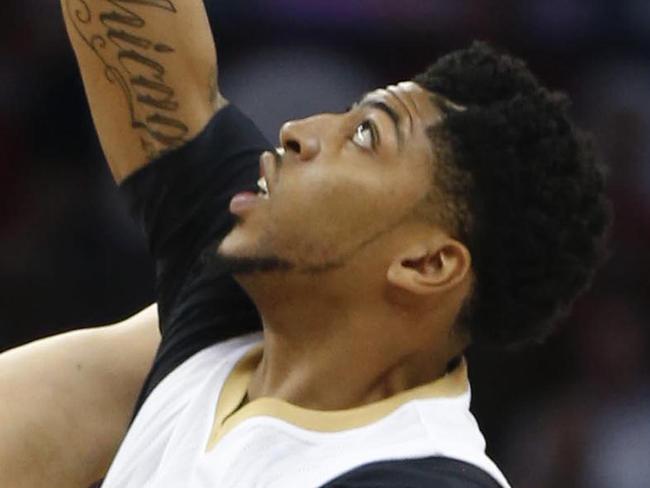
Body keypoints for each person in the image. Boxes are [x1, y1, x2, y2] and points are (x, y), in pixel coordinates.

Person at [0, 1, 610, 487]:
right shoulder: (242, 296)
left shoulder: (414, 475)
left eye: (366, 135)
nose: (298, 131)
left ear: (427, 263)